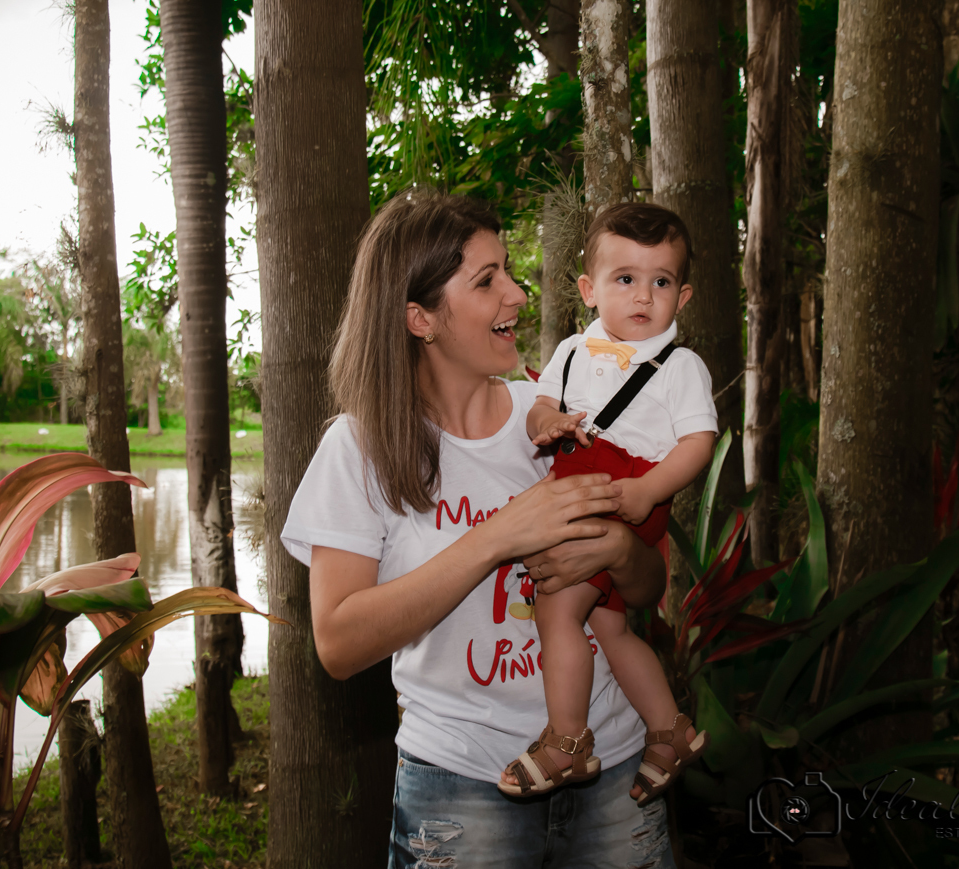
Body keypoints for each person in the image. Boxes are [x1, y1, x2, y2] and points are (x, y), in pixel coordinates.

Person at [280, 192, 676, 869]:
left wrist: (618, 549)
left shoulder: (559, 415)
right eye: (488, 280)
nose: (517, 294)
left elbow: (646, 588)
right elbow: (339, 643)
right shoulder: (360, 449)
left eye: (509, 272)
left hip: (612, 767)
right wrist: (499, 535)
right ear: (421, 318)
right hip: (460, 787)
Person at [498, 203, 716, 807]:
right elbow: (541, 405)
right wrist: (548, 423)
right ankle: (670, 730)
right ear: (589, 290)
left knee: (556, 611)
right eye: (625, 278)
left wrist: (649, 490)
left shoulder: (680, 366)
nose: (643, 295)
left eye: (661, 282)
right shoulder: (572, 350)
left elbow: (699, 441)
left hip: (625, 488)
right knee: (609, 626)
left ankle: (567, 740)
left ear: (683, 296)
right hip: (580, 475)